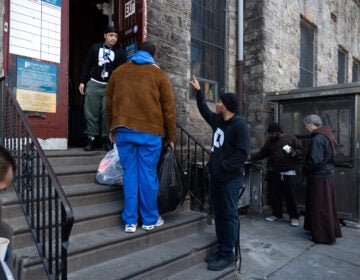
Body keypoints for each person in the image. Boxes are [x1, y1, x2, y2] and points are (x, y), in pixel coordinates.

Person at [106, 41, 176, 234]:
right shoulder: (159, 75)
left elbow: (109, 103)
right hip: (150, 133)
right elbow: (169, 110)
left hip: (124, 130)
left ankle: (130, 221)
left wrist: (111, 128)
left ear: (137, 53)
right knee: (148, 175)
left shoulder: (119, 72)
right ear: (153, 55)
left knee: (129, 174)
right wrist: (171, 136)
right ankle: (149, 219)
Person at [190, 76, 250, 271]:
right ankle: (222, 249)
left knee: (228, 215)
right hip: (216, 178)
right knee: (219, 214)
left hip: (230, 179)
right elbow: (204, 111)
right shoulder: (219, 121)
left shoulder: (239, 125)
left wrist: (222, 166)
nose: (217, 104)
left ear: (227, 106)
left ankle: (227, 254)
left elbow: (242, 154)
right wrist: (199, 92)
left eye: (219, 102)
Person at [79, 25, 127, 151]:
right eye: (111, 35)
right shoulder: (95, 48)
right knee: (91, 113)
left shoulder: (120, 53)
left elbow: (121, 72)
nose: (114, 38)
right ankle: (91, 138)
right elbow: (87, 65)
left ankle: (107, 139)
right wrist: (83, 81)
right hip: (94, 83)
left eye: (116, 36)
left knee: (107, 113)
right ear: (105, 35)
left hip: (109, 87)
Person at [249, 123, 303, 227]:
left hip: (288, 171)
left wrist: (294, 152)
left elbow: (300, 150)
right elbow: (262, 153)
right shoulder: (270, 141)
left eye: (272, 133)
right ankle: (277, 214)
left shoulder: (290, 138)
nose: (270, 135)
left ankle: (294, 217)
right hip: (274, 171)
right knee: (274, 194)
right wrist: (250, 157)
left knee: (290, 195)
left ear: (278, 132)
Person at [302, 114, 342, 244]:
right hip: (326, 175)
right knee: (326, 206)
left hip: (319, 177)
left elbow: (315, 161)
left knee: (320, 207)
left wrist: (305, 168)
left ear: (312, 124)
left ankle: (322, 235)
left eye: (306, 124)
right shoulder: (326, 135)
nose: (305, 127)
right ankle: (327, 231)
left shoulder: (318, 137)